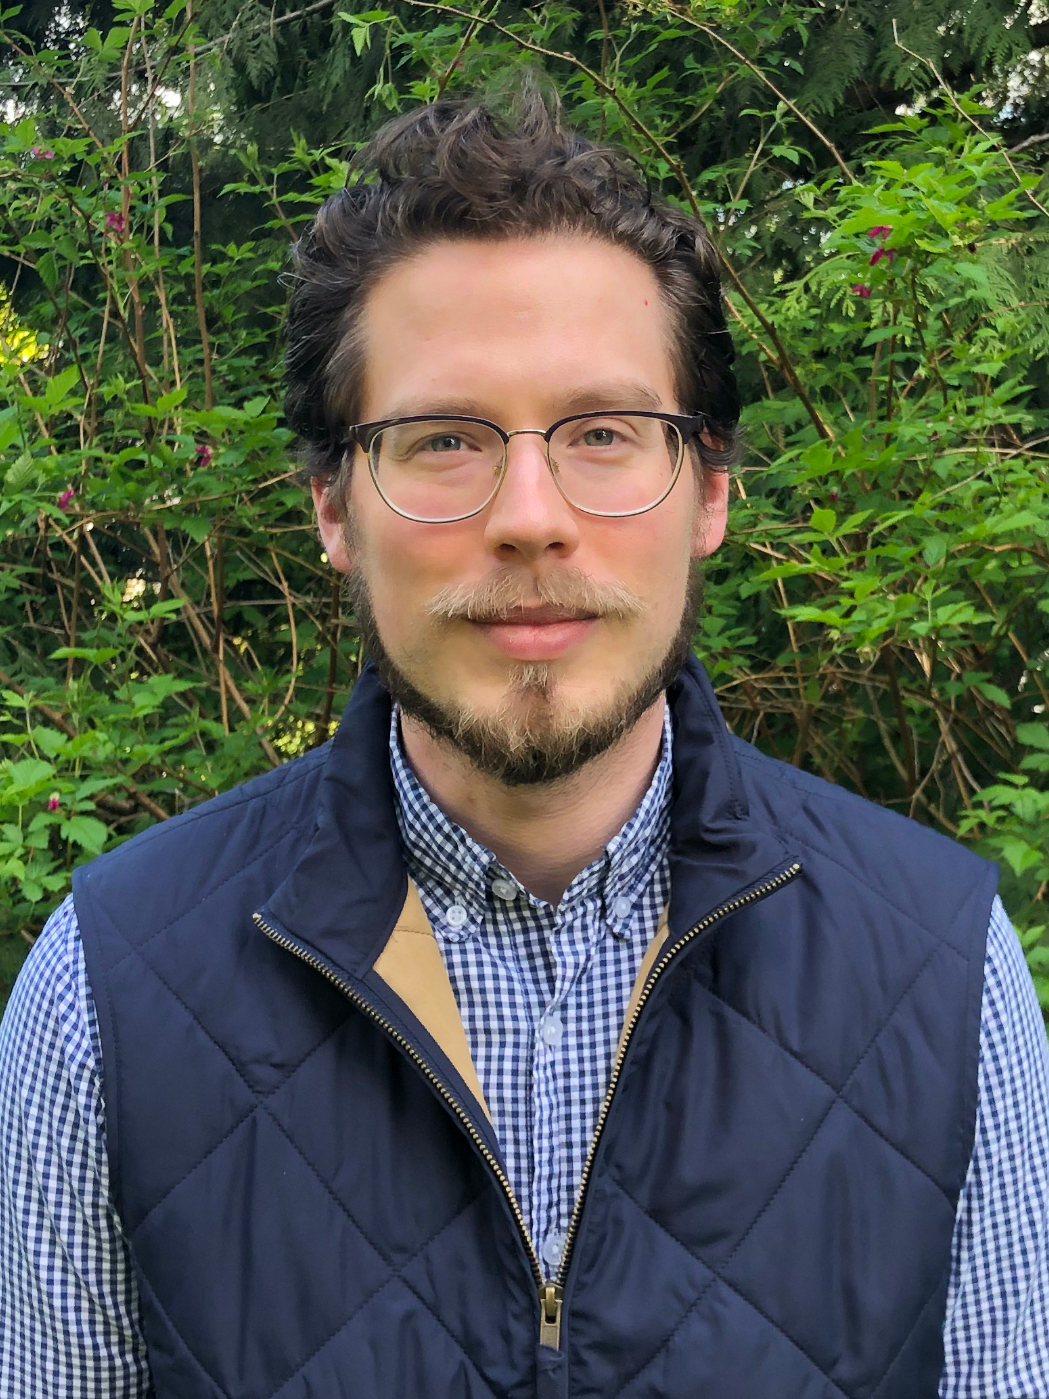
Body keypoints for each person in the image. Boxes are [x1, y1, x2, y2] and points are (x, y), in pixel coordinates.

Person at [1, 86, 1047, 1399]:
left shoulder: (947, 980)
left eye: (605, 433)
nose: (531, 516)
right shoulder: (104, 997)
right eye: (444, 439)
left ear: (711, 493)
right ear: (331, 508)